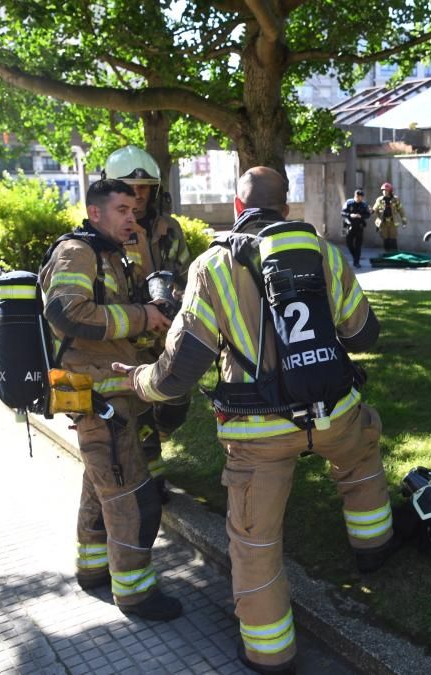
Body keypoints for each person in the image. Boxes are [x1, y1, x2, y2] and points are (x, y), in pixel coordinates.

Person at [117, 167, 398, 674]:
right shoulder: (328, 256)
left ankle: (270, 653)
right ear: (286, 209)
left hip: (258, 434)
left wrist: (138, 381)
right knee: (362, 459)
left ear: (236, 208)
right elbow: (363, 338)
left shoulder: (212, 267)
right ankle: (374, 548)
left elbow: (180, 371)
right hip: (333, 412)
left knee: (255, 541)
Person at [39, 179, 182, 620]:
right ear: (95, 212)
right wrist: (142, 316)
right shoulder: (77, 252)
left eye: (134, 210)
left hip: (105, 389)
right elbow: (66, 313)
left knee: (100, 483)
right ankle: (135, 593)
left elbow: (119, 306)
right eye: (121, 210)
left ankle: (94, 569)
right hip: (95, 393)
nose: (131, 217)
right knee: (131, 497)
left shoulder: (110, 253)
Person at [104, 146, 192, 502]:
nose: (138, 197)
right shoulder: (101, 235)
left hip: (165, 337)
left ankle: (161, 434)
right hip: (124, 341)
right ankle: (152, 481)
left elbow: (188, 279)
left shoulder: (169, 230)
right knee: (135, 413)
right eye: (129, 188)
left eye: (145, 189)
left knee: (176, 403)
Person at [372, 182, 407, 252]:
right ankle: (387, 253)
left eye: (386, 190)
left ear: (390, 191)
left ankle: (394, 254)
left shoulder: (395, 199)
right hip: (383, 222)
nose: (384, 192)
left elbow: (401, 210)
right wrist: (371, 211)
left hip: (392, 222)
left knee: (393, 239)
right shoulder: (379, 200)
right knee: (385, 239)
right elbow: (374, 209)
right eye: (383, 190)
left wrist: (404, 221)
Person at [341, 188, 371, 268]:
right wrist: (350, 215)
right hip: (349, 226)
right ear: (355, 196)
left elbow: (368, 215)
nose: (359, 199)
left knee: (358, 245)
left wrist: (360, 216)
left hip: (359, 227)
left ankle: (356, 262)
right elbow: (342, 213)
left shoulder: (364, 205)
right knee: (349, 244)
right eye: (358, 197)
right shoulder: (348, 203)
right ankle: (355, 257)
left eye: (361, 197)